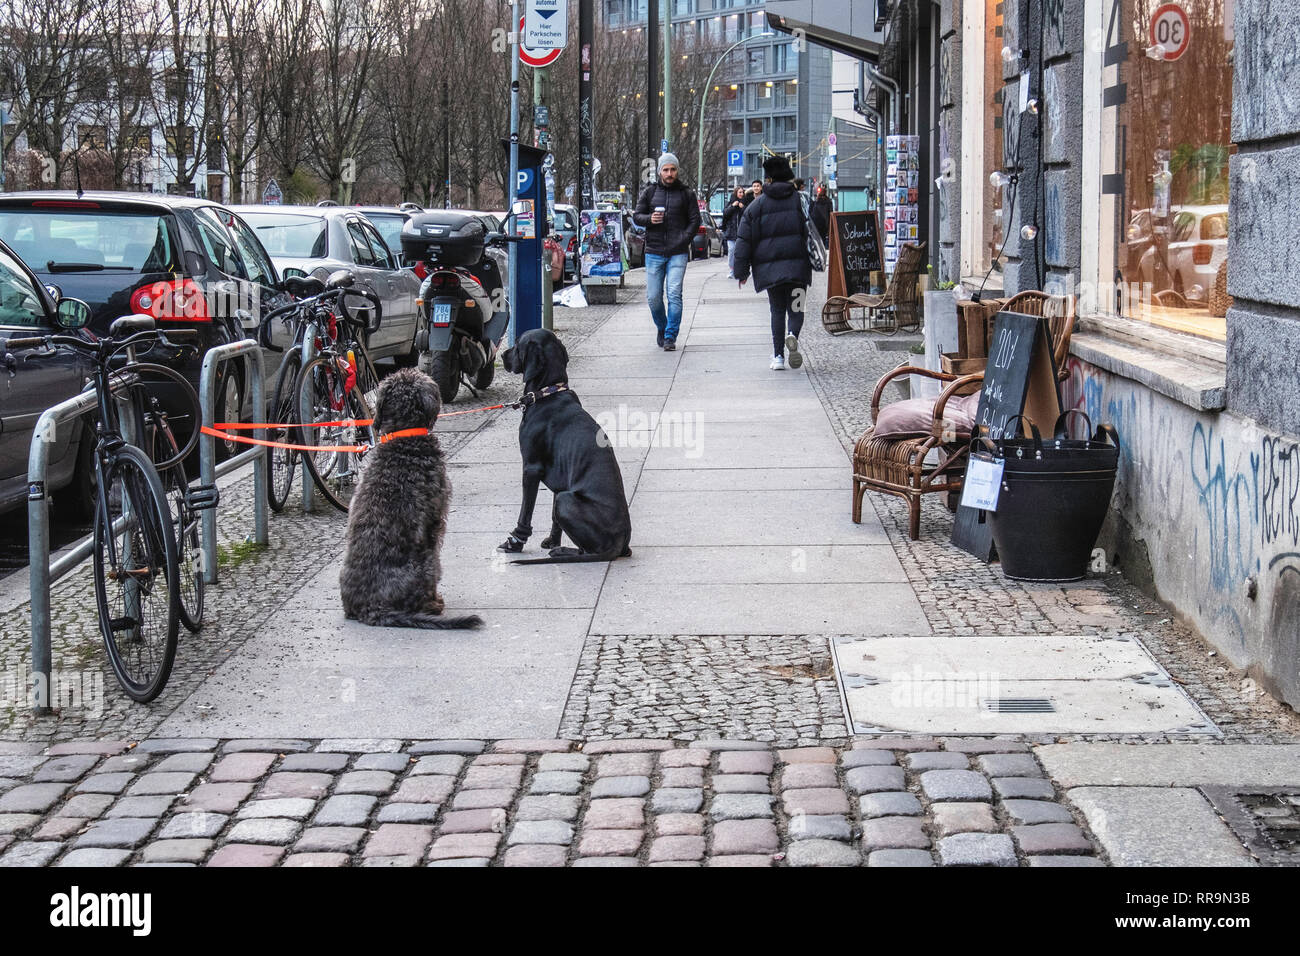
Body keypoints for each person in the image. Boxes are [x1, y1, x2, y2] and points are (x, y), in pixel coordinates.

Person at [731, 155, 812, 371]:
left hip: (770, 269)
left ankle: (778, 357)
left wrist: (741, 271)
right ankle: (792, 334)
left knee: (777, 310)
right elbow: (815, 229)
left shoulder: (756, 206)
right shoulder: (801, 200)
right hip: (798, 267)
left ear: (767, 180)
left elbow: (744, 239)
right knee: (797, 307)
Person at [632, 152, 700, 351]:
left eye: (673, 169)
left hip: (677, 252)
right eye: (666, 169)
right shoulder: (650, 192)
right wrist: (649, 219)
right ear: (660, 171)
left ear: (677, 170)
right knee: (653, 298)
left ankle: (670, 336)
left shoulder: (687, 193)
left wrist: (684, 238)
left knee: (674, 294)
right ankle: (662, 327)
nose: (670, 173)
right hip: (654, 251)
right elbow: (637, 216)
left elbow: (695, 221)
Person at [721, 185, 747, 278]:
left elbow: (748, 215)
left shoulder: (745, 203)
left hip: (742, 234)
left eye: (742, 192)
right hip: (731, 233)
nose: (741, 194)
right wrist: (733, 206)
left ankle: (741, 271)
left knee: (741, 253)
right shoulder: (730, 203)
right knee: (731, 251)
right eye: (739, 192)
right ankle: (732, 270)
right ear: (736, 193)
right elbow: (725, 214)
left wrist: (742, 208)